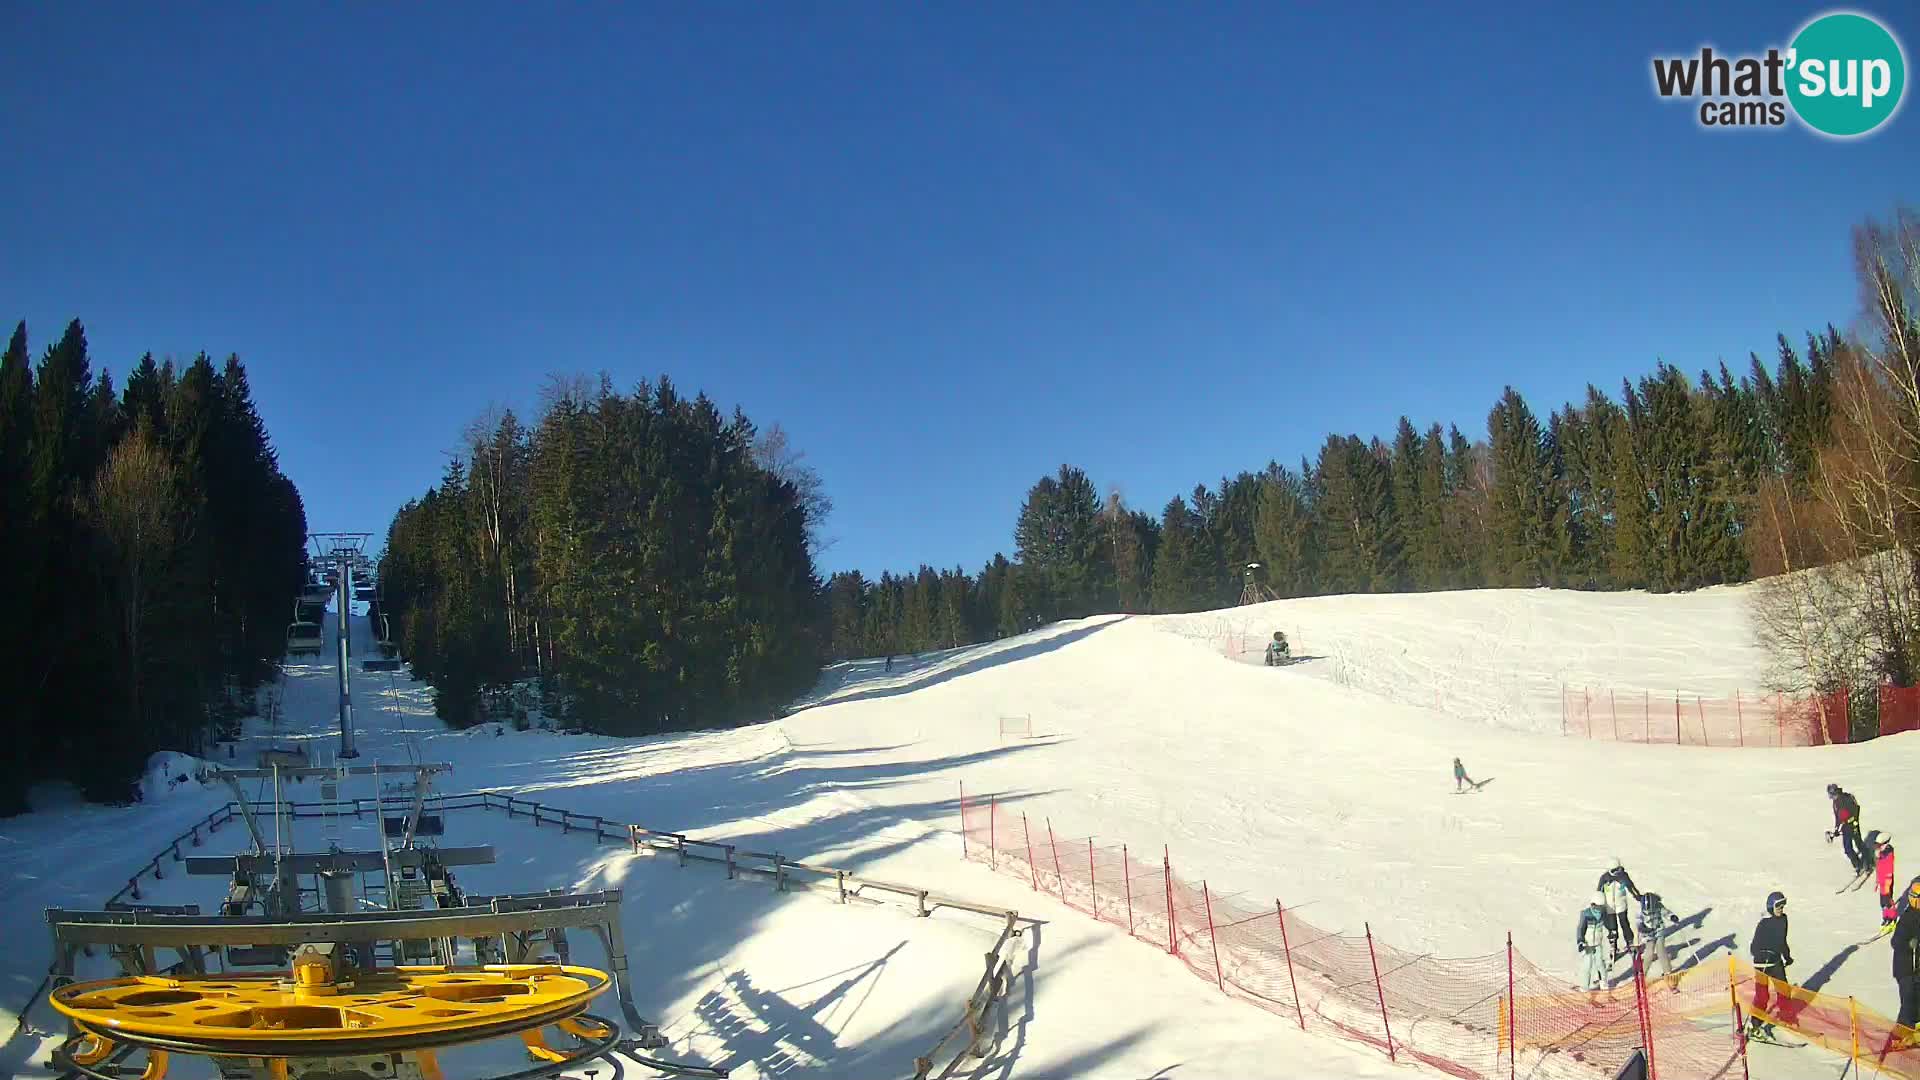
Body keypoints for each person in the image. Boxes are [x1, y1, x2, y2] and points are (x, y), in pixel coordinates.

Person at [1748, 891, 1792, 1042]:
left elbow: (1783, 941)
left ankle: (1785, 1017)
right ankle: (1755, 1026)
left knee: (1784, 989)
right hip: (1762, 963)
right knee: (1762, 996)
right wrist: (1762, 953)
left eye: (1783, 905)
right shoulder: (1764, 924)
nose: (1781, 908)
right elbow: (1754, 946)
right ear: (1770, 907)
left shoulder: (1783, 920)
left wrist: (1787, 956)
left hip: (1776, 962)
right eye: (1778, 905)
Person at [1597, 859, 1643, 958]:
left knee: (1625, 924)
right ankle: (1613, 945)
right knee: (1612, 927)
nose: (1617, 872)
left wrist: (1638, 897)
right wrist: (1598, 904)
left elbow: (1631, 887)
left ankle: (1629, 942)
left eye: (1618, 870)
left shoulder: (1623, 876)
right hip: (1609, 907)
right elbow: (1599, 893)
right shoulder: (1604, 878)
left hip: (1621, 905)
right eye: (1614, 870)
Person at [1638, 890, 1680, 988]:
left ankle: (1668, 973)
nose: (1648, 912)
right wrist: (1644, 929)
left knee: (1661, 950)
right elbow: (1638, 924)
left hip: (1659, 930)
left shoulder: (1658, 906)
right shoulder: (1640, 912)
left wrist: (1672, 917)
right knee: (1648, 954)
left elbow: (1666, 913)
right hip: (1648, 934)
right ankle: (1642, 976)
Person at [1894, 877, 1920, 1030]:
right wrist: (1909, 944)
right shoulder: (1907, 918)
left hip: (1916, 969)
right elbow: (1896, 941)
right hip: (1906, 970)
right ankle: (1899, 1035)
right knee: (1908, 1004)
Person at [1828, 783, 1866, 875]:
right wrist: (1837, 829)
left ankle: (1868, 862)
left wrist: (1852, 821)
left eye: (1831, 794)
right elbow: (1838, 817)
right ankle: (1858, 865)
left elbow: (1856, 809)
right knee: (1847, 848)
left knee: (1859, 844)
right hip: (1845, 827)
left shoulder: (1847, 798)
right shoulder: (1835, 803)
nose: (1831, 797)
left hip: (1853, 825)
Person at [1577, 892, 1609, 991]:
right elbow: (1581, 928)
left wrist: (1612, 931)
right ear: (1593, 904)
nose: (1599, 909)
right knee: (1587, 965)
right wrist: (1580, 941)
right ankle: (1584, 986)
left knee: (1600, 964)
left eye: (1601, 907)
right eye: (1598, 907)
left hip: (1598, 943)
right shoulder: (1586, 914)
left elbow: (1608, 924)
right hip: (1588, 945)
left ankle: (1603, 982)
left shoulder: (1603, 914)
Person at [1874, 833, 1898, 932]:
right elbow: (1879, 869)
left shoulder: (1888, 854)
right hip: (1882, 882)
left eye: (1879, 846)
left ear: (1886, 844)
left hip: (1887, 882)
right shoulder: (1881, 854)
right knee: (1882, 902)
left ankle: (1892, 919)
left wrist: (1887, 884)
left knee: (1888, 901)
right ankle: (1886, 918)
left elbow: (1888, 870)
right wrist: (1877, 881)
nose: (1878, 848)